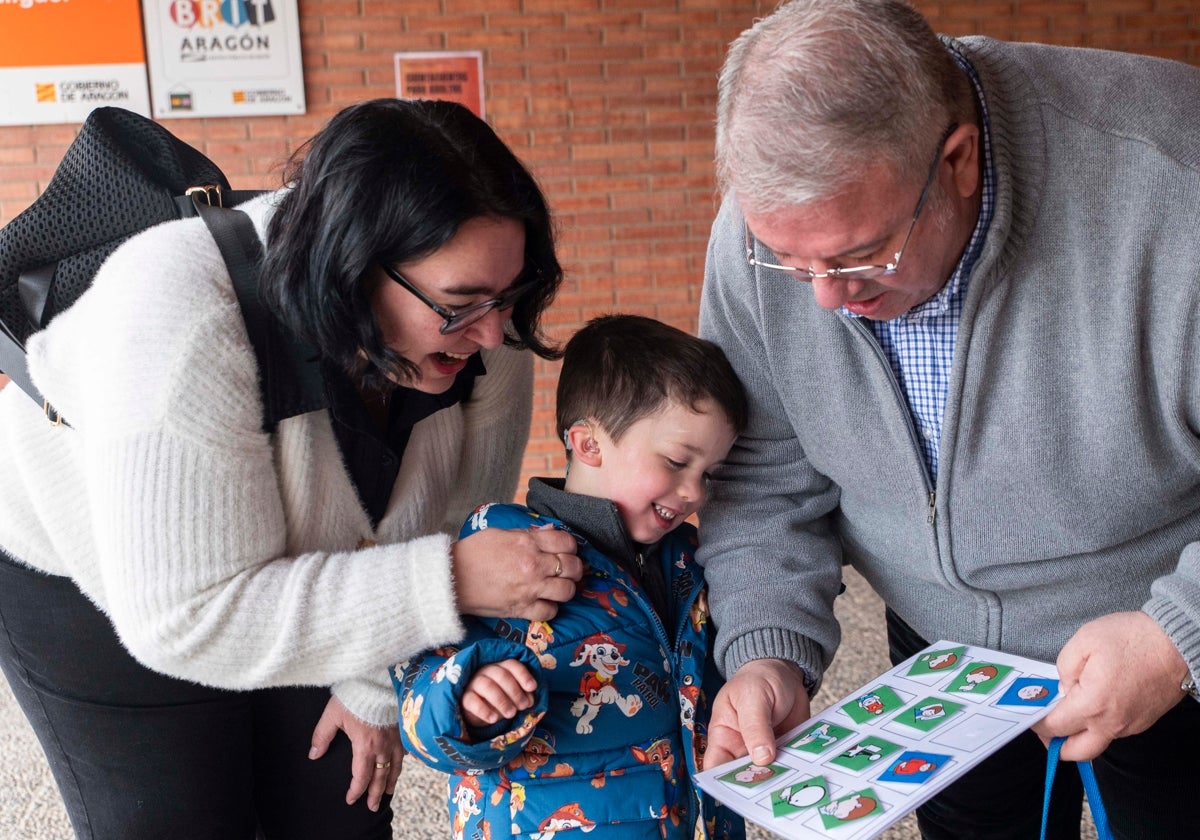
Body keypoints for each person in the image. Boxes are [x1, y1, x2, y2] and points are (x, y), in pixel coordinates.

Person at [0, 98, 584, 840]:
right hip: (97, 567)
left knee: (339, 809)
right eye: (462, 304)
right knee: (176, 818)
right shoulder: (177, 315)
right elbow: (187, 618)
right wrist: (454, 580)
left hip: (307, 559)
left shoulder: (483, 326)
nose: (496, 331)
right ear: (351, 266)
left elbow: (447, 523)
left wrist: (374, 693)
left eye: (510, 297)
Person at [695, 1, 1200, 838]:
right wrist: (767, 646)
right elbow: (762, 470)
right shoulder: (768, 235)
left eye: (862, 257)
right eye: (793, 265)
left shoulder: (1173, 179)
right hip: (941, 659)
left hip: (1157, 628)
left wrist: (1180, 633)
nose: (827, 300)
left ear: (957, 160)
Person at [392, 314, 747, 839]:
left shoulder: (686, 560)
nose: (695, 492)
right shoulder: (502, 554)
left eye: (708, 473)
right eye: (677, 461)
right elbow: (418, 697)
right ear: (588, 445)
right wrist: (469, 698)